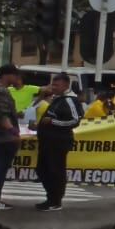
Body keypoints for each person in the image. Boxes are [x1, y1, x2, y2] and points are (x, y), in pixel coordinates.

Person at [34, 73, 81, 211]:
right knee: (42, 170)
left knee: (55, 171)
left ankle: (55, 201)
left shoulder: (70, 100)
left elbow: (75, 120)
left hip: (58, 142)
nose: (53, 88)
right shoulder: (58, 99)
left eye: (57, 85)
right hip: (47, 142)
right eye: (52, 84)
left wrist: (53, 122)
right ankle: (51, 198)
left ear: (66, 85)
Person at [0, 65, 23, 209]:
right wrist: (13, 132)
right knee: (0, 169)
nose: (17, 79)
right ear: (8, 75)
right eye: (16, 76)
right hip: (3, 138)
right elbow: (0, 115)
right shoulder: (1, 91)